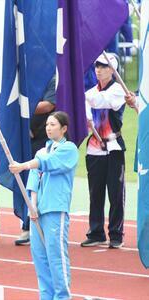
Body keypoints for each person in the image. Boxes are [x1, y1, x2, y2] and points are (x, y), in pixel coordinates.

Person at [9, 111, 79, 300]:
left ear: (64, 129)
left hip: (55, 209)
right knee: (40, 257)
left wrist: (23, 165)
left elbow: (47, 164)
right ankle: (46, 296)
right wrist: (32, 207)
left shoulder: (69, 149)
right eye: (47, 124)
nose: (49, 128)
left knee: (56, 256)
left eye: (53, 124)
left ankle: (62, 296)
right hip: (37, 212)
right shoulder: (40, 151)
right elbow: (33, 182)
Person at [81, 53, 126, 249]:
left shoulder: (118, 90)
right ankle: (96, 232)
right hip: (94, 149)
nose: (98, 69)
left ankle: (116, 234)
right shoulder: (92, 91)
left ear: (113, 70)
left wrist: (83, 97)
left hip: (114, 147)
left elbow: (100, 102)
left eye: (103, 66)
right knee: (95, 193)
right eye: (97, 66)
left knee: (115, 194)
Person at [16, 75, 57, 246]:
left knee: (43, 185)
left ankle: (44, 226)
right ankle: (28, 225)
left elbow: (48, 105)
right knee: (29, 183)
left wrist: (22, 106)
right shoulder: (24, 75)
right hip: (27, 139)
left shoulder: (52, 77)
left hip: (45, 140)